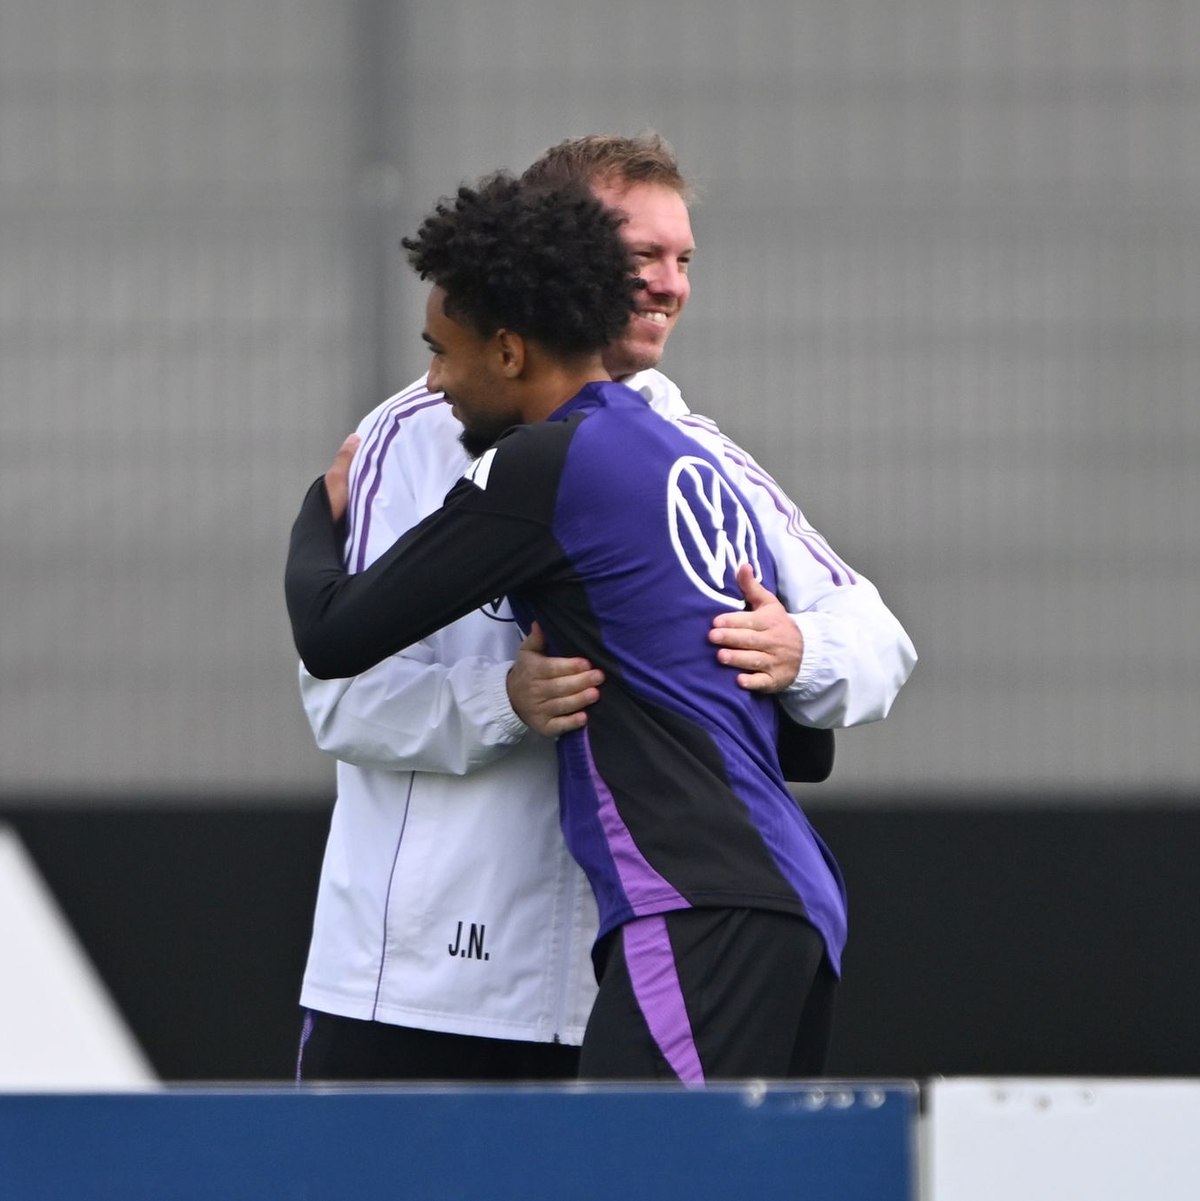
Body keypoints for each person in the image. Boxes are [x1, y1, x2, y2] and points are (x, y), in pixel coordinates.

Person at [293, 134, 916, 1083]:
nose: (670, 284)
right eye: (642, 257)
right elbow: (337, 694)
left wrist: (801, 650)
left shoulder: (692, 451)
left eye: (685, 260)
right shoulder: (421, 428)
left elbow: (876, 640)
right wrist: (503, 700)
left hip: (623, 967)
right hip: (416, 984)